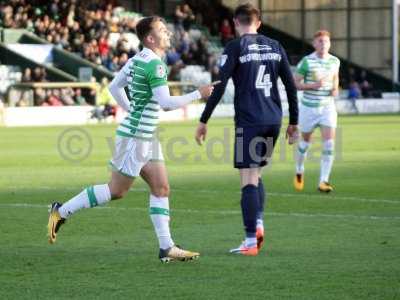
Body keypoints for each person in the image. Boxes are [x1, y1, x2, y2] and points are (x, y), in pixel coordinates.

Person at [48, 16, 217, 263]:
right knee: (116, 191)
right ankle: (60, 212)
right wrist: (198, 94)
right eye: (162, 30)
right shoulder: (155, 65)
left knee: (161, 187)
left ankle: (166, 247)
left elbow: (116, 87)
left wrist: (132, 110)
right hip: (136, 137)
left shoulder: (138, 60)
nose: (168, 33)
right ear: (150, 38)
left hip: (145, 135)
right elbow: (167, 104)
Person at [194, 4, 298, 256]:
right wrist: (294, 122)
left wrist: (203, 119)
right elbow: (290, 85)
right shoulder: (275, 46)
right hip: (273, 119)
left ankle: (251, 241)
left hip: (249, 121)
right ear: (258, 23)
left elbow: (219, 86)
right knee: (257, 174)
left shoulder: (235, 47)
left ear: (235, 23)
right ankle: (258, 224)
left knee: (247, 179)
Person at [293, 30, 340, 193]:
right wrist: (312, 86)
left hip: (328, 107)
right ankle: (299, 170)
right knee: (305, 143)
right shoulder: (307, 61)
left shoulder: (335, 61)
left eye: (326, 41)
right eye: (320, 41)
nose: (323, 44)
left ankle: (323, 181)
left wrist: (335, 89)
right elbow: (296, 83)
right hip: (309, 108)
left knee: (329, 143)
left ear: (330, 43)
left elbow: (335, 78)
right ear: (314, 44)